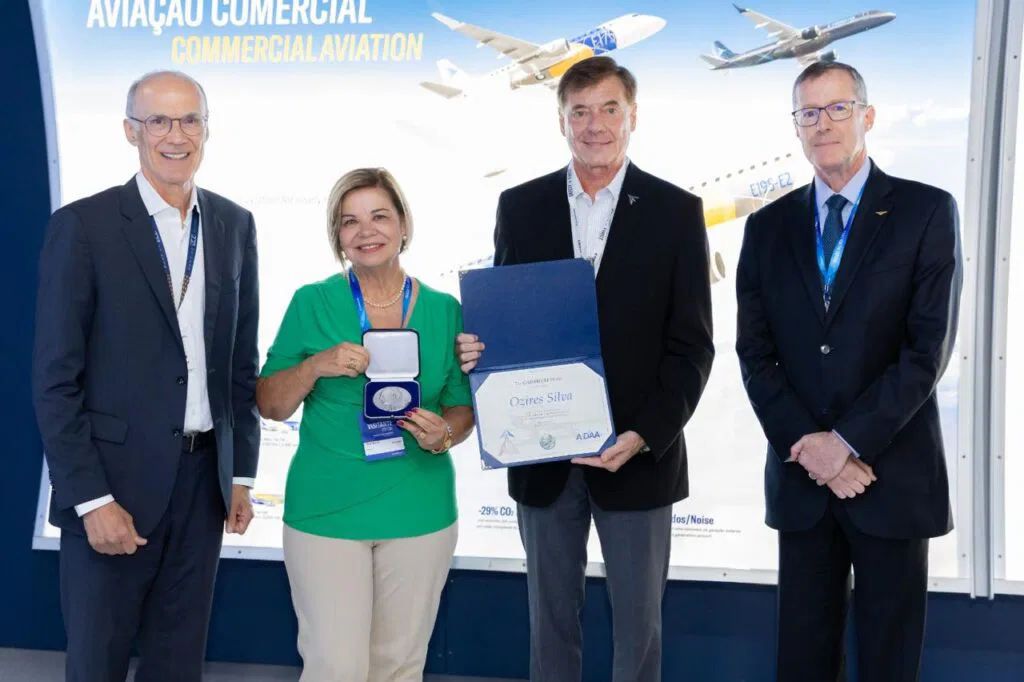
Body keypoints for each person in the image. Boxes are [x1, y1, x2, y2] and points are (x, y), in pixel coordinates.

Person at [456, 56, 715, 682]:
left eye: (608, 109)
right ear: (561, 121)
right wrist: (480, 350)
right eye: (580, 112)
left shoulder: (677, 211)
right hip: (540, 456)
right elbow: (508, 323)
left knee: (639, 632)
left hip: (637, 454)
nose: (594, 125)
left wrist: (645, 434)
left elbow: (692, 346)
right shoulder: (520, 206)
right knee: (549, 625)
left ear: (633, 117)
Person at [735, 60, 962, 681]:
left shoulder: (925, 211)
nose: (824, 124)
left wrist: (845, 444)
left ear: (867, 116)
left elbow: (926, 350)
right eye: (809, 113)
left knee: (889, 662)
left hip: (890, 476)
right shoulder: (767, 227)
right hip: (803, 479)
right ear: (796, 127)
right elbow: (755, 353)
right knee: (802, 662)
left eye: (838, 108)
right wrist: (812, 449)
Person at [31, 70, 260, 681]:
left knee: (177, 666)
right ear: (130, 131)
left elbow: (240, 365)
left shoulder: (234, 224)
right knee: (97, 664)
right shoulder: (85, 226)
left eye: (190, 120)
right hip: (113, 488)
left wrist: (239, 474)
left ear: (207, 129)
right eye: (158, 120)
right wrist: (91, 499)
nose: (175, 135)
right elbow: (55, 381)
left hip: (203, 487)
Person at [255, 167, 475, 681]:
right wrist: (314, 367)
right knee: (335, 667)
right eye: (350, 221)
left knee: (399, 667)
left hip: (419, 508)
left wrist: (444, 434)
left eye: (379, 216)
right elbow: (269, 405)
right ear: (337, 236)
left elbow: (461, 408)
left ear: (403, 225)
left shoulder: (444, 309)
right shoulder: (312, 302)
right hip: (326, 510)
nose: (366, 231)